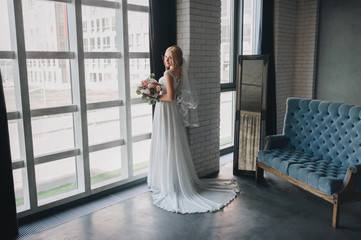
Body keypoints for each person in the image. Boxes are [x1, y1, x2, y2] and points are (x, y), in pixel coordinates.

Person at [147, 45, 239, 214]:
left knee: (168, 143)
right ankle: (173, 180)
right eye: (165, 57)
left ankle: (169, 183)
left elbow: (170, 96)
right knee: (173, 144)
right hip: (171, 113)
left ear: (175, 59)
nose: (166, 60)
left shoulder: (168, 73)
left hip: (166, 110)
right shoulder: (180, 72)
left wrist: (154, 95)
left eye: (169, 58)